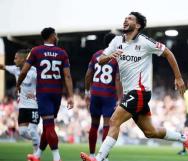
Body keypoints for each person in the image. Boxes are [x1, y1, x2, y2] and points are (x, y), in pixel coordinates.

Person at [80, 12, 188, 161]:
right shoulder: (116, 41)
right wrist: (110, 56)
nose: (125, 20)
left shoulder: (145, 41)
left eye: (130, 19)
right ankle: (184, 138)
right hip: (130, 93)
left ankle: (99, 158)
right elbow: (100, 60)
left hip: (140, 91)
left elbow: (168, 53)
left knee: (114, 121)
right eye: (125, 18)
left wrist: (178, 77)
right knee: (150, 132)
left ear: (138, 25)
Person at [16, 27, 74, 161]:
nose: (57, 37)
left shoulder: (36, 51)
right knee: (48, 125)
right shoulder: (62, 52)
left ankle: (57, 157)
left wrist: (18, 84)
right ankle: (37, 155)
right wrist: (70, 96)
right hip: (57, 94)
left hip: (44, 94)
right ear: (52, 36)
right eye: (56, 35)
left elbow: (24, 71)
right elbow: (68, 76)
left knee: (48, 126)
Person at [85, 33, 122, 160]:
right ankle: (104, 157)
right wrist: (120, 98)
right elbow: (117, 79)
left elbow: (88, 74)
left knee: (94, 125)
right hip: (109, 94)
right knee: (107, 125)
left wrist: (86, 92)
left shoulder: (96, 55)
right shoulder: (116, 57)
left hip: (95, 93)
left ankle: (91, 154)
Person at [0, 49, 40, 153]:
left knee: (31, 131)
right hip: (22, 107)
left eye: (16, 58)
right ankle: (39, 141)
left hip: (34, 106)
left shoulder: (35, 71)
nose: (14, 61)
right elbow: (2, 67)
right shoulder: (15, 69)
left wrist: (36, 94)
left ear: (23, 59)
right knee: (22, 132)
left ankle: (36, 156)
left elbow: (44, 84)